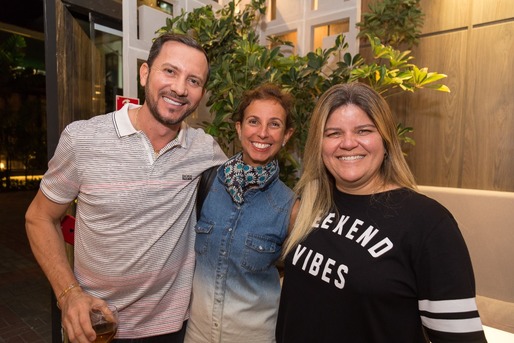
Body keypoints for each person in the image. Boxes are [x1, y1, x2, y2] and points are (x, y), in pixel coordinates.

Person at [25, 33, 227, 343]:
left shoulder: (204, 150)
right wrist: (68, 295)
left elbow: (247, 192)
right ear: (145, 73)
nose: (179, 88)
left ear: (201, 94)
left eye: (194, 81)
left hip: (172, 328)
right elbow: (39, 218)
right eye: (170, 71)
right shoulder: (83, 139)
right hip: (95, 323)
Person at [275, 82, 487, 343]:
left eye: (363, 130)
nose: (348, 143)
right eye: (333, 133)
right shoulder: (311, 202)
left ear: (386, 141)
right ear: (319, 145)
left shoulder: (429, 224)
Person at [184, 84, 296, 343]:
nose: (263, 133)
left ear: (287, 135)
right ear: (239, 128)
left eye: (275, 124)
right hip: (196, 334)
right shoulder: (207, 184)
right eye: (254, 121)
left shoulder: (291, 207)